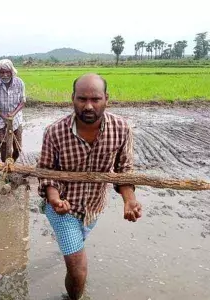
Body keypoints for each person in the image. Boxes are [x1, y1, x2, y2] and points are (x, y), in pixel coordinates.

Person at [37, 73, 142, 300]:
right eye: (82, 99)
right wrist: (54, 199)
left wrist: (129, 200)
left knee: (78, 243)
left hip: (94, 206)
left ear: (106, 99)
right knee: (77, 269)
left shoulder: (121, 129)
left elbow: (124, 171)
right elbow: (45, 174)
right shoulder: (54, 132)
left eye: (95, 99)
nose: (88, 106)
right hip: (62, 207)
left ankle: (72, 247)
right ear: (72, 98)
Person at [0, 59, 26, 163]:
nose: (5, 75)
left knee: (18, 148)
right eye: (2, 72)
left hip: (16, 119)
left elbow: (23, 102)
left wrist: (13, 113)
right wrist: (3, 116)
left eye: (7, 72)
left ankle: (12, 162)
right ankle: (6, 166)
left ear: (12, 71)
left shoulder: (19, 83)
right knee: (3, 149)